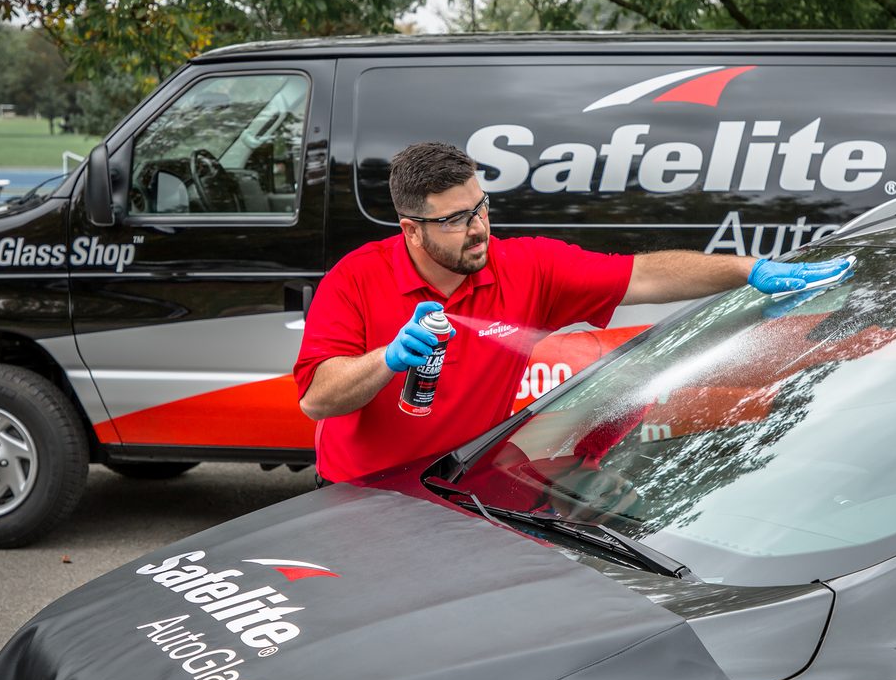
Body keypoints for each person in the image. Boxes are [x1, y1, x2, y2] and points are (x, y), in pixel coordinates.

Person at [295, 141, 850, 485]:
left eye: (481, 207)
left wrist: (749, 269)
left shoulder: (527, 266)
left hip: (455, 489)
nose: (479, 228)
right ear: (411, 230)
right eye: (456, 219)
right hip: (360, 493)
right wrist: (387, 360)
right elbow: (317, 399)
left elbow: (644, 275)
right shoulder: (356, 278)